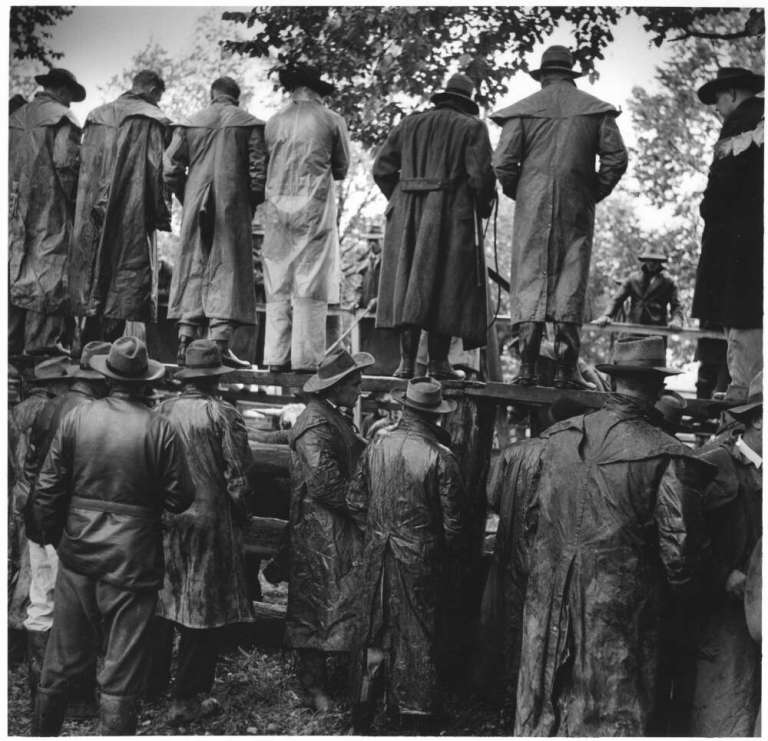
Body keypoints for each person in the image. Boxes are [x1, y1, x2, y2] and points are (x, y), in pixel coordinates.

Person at [514, 336, 714, 735]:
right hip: (621, 619)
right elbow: (682, 559)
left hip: (547, 609)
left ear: (613, 382)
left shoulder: (556, 439)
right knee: (612, 715)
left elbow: (527, 527)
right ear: (658, 387)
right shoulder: (668, 455)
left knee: (544, 710)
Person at [31, 337, 193, 735]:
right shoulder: (161, 428)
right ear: (145, 381)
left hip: (79, 553)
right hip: (132, 560)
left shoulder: (78, 417)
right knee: (122, 668)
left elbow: (48, 487)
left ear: (107, 376)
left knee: (60, 659)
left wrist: (54, 538)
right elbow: (180, 498)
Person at [492, 45, 628, 389]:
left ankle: (527, 368)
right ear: (570, 75)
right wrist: (592, 192)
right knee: (571, 275)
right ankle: (567, 371)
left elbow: (502, 163)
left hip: (532, 207)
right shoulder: (596, 111)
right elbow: (616, 159)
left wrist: (522, 192)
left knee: (529, 277)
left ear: (543, 77)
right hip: (576, 205)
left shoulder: (522, 112)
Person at [346, 377, 465, 734]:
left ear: (405, 408)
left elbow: (354, 500)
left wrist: (377, 533)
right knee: (418, 631)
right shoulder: (441, 457)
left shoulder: (377, 444)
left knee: (375, 628)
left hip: (377, 553)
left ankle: (363, 713)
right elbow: (455, 526)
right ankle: (416, 715)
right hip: (420, 560)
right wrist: (444, 555)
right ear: (436, 415)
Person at [147, 340, 255, 724]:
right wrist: (243, 515)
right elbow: (237, 476)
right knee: (202, 608)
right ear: (215, 378)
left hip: (166, 519)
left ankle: (151, 685)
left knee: (163, 600)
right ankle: (187, 697)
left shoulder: (160, 411)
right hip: (209, 522)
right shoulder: (222, 414)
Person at [373, 72, 496, 380]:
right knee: (446, 285)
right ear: (466, 102)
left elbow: (381, 169)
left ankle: (406, 363)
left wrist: (402, 200)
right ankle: (439, 363)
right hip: (450, 218)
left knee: (408, 285)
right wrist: (482, 207)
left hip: (406, 219)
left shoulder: (409, 124)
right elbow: (480, 178)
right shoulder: (472, 127)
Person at [22, 342, 111, 718]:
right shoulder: (91, 414)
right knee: (75, 611)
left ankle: (40, 691)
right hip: (68, 527)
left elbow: (32, 468)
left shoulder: (50, 406)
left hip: (39, 521)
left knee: (41, 604)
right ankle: (73, 698)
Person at [286, 348, 374, 710]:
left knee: (335, 599)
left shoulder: (332, 417)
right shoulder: (315, 424)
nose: (359, 389)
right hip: (319, 528)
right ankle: (313, 687)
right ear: (336, 387)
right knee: (314, 603)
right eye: (355, 384)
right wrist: (362, 506)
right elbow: (323, 483)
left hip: (334, 525)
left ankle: (328, 682)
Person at [164, 76, 267, 369]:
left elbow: (170, 169)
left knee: (193, 264)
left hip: (196, 202)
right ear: (236, 97)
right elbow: (259, 173)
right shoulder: (248, 124)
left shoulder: (189, 124)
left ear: (212, 95)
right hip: (232, 205)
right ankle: (219, 345)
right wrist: (247, 203)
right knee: (227, 269)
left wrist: (189, 197)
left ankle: (185, 339)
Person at [684, 371, 761, 736]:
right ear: (759, 419)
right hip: (721, 622)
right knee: (724, 716)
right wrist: (722, 575)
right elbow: (681, 537)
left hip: (758, 619)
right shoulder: (713, 464)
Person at [70, 70, 171, 344]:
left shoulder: (96, 116)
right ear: (153, 91)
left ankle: (88, 348)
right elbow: (158, 172)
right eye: (159, 97)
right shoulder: (153, 119)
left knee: (93, 280)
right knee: (124, 284)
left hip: (91, 213)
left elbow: (81, 166)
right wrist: (161, 215)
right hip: (132, 213)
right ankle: (113, 354)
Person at [262, 64, 351, 373]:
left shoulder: (273, 122)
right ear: (317, 91)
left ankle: (276, 356)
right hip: (314, 208)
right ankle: (305, 359)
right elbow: (341, 167)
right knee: (310, 281)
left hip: (276, 210)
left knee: (277, 279)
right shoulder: (331, 120)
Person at [692, 67, 764, 403]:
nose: (718, 108)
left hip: (739, 243)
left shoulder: (740, 123)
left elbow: (721, 187)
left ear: (732, 93)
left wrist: (707, 208)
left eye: (719, 100)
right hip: (755, 238)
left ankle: (744, 398)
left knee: (740, 315)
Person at [9, 68, 85, 357]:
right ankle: (41, 354)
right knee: (49, 278)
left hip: (13, 214)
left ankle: (11, 358)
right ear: (63, 90)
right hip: (50, 211)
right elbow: (67, 165)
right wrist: (78, 204)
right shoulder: (62, 118)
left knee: (13, 276)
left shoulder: (14, 118)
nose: (70, 102)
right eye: (70, 97)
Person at [595, 249, 684, 330]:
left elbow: (676, 306)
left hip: (657, 329)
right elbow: (617, 300)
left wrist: (677, 320)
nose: (651, 264)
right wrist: (607, 315)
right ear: (644, 261)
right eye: (649, 260)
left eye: (655, 261)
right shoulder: (633, 279)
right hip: (633, 327)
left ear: (659, 263)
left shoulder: (668, 282)